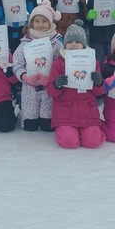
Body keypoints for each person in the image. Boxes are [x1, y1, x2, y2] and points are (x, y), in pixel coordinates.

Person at [46, 20, 106, 149]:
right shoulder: (58, 63)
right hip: (65, 112)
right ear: (65, 44)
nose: (73, 44)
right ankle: (66, 131)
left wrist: (98, 82)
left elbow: (98, 92)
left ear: (84, 44)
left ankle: (88, 131)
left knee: (93, 142)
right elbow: (51, 91)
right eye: (70, 42)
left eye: (77, 41)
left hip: (88, 112)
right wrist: (57, 84)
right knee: (69, 142)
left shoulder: (93, 63)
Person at [12, 0, 63, 132]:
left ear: (50, 22)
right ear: (32, 23)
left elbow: (62, 64)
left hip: (49, 88)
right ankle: (24, 114)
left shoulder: (56, 43)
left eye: (44, 21)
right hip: (30, 87)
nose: (40, 24)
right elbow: (16, 62)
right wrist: (24, 77)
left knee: (47, 126)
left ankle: (46, 117)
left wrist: (53, 78)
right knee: (30, 126)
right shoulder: (25, 42)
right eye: (37, 21)